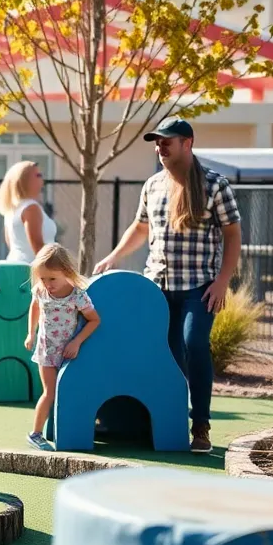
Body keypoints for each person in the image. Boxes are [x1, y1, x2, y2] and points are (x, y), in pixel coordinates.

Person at [93, 117, 241, 454]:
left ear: (187, 143)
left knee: (194, 344)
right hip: (155, 288)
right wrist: (113, 257)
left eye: (167, 142)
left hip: (199, 288)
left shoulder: (216, 186)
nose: (160, 147)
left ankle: (200, 426)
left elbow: (233, 235)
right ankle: (161, 424)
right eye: (157, 142)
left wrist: (222, 282)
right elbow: (140, 228)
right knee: (166, 355)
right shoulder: (153, 185)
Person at [24, 243, 101, 451]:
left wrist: (77, 342)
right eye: (43, 279)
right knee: (49, 392)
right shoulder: (41, 290)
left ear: (66, 273)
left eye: (52, 279)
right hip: (47, 351)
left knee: (71, 390)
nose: (47, 284)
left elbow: (94, 320)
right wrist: (31, 332)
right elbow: (35, 306)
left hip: (69, 352)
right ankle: (35, 433)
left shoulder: (77, 296)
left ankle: (81, 426)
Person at [0, 160, 56, 263]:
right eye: (38, 175)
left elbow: (12, 245)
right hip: (32, 269)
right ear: (24, 180)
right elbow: (39, 248)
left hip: (15, 266)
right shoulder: (31, 208)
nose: (42, 178)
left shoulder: (12, 210)